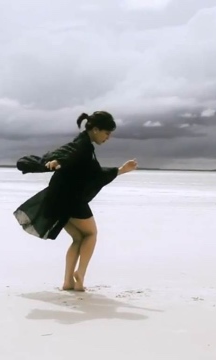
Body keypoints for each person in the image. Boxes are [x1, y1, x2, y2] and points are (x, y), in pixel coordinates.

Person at [13, 111, 138, 291]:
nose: (108, 137)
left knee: (78, 238)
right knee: (91, 235)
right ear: (95, 129)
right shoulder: (81, 147)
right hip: (71, 201)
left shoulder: (83, 146)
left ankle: (68, 282)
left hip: (59, 200)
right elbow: (65, 157)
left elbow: (90, 173)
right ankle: (80, 274)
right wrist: (53, 162)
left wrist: (120, 170)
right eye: (106, 133)